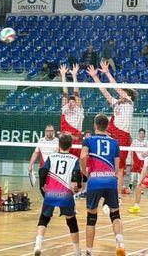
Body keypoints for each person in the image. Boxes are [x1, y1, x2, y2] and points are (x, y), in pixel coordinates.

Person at [87, 61, 137, 197]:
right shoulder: (116, 104)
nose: (120, 93)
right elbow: (104, 91)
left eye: (123, 91)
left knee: (120, 168)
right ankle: (104, 189)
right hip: (112, 137)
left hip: (123, 138)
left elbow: (115, 87)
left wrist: (107, 73)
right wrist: (95, 77)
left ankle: (118, 195)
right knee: (107, 164)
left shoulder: (129, 103)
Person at [80, 113, 126, 256]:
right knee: (115, 214)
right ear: (107, 126)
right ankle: (120, 243)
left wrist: (84, 172)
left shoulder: (88, 140)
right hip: (110, 180)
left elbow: (83, 156)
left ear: (95, 125)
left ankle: (89, 251)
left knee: (91, 219)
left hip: (94, 180)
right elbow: (117, 167)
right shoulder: (114, 142)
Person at [33, 133, 82, 256]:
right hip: (66, 195)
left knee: (44, 219)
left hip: (51, 193)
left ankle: (38, 245)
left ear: (58, 145)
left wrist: (42, 186)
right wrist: (78, 187)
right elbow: (77, 175)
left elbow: (42, 172)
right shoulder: (74, 159)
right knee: (71, 222)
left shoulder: (51, 157)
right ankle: (77, 252)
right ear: (71, 146)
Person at [59, 63, 87, 199]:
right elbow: (65, 92)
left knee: (80, 167)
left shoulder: (79, 111)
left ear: (76, 103)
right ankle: (65, 188)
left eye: (73, 101)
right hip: (65, 143)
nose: (71, 102)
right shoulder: (65, 110)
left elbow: (76, 92)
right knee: (65, 167)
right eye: (69, 101)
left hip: (76, 143)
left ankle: (82, 189)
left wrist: (74, 75)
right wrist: (63, 75)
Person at [28, 124, 59, 197]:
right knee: (42, 187)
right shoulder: (41, 141)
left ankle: (52, 200)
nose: (49, 132)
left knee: (53, 187)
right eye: (47, 131)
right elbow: (36, 152)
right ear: (45, 131)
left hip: (54, 169)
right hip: (43, 168)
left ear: (54, 131)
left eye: (51, 131)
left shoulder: (57, 141)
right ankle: (46, 199)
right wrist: (30, 164)